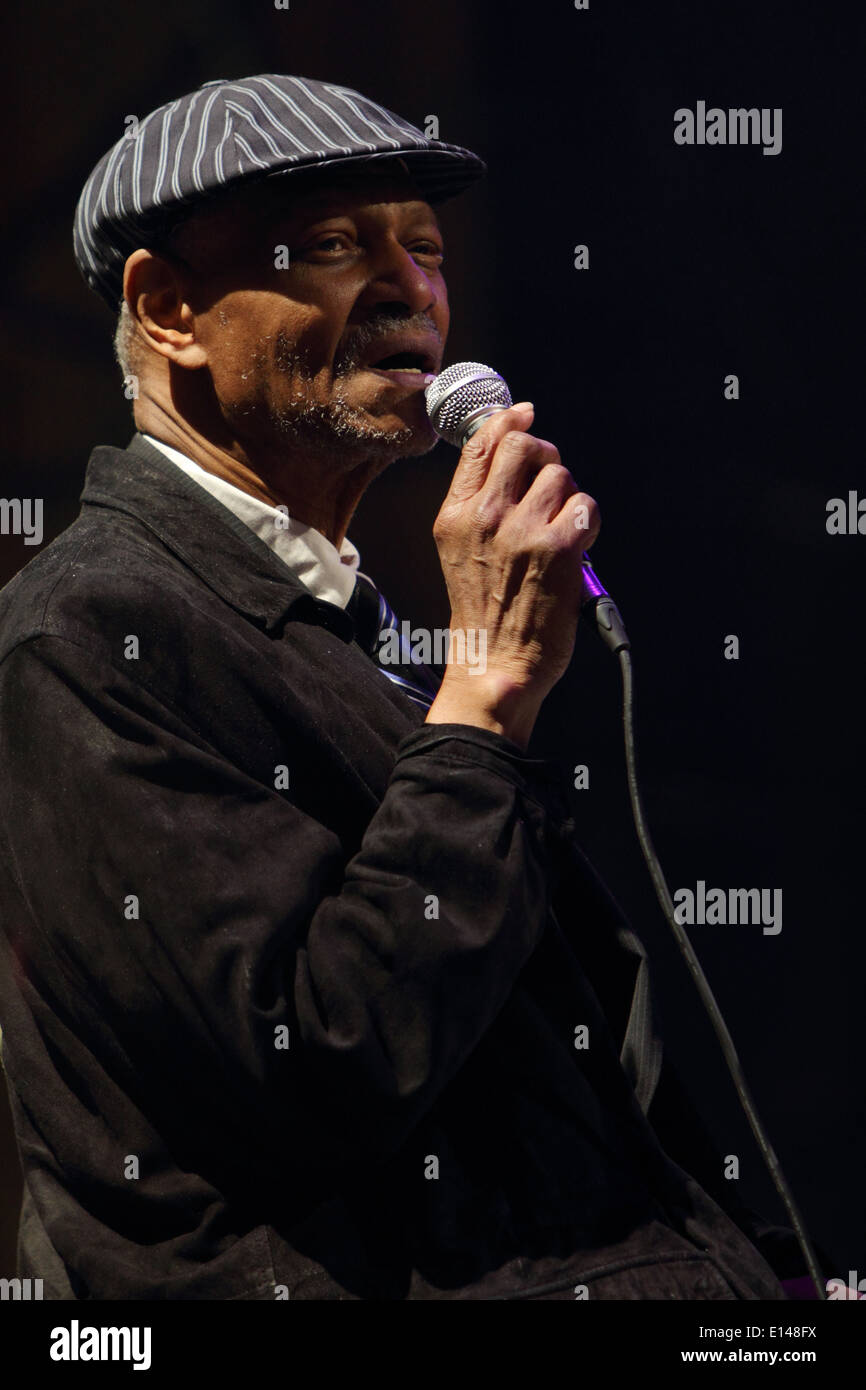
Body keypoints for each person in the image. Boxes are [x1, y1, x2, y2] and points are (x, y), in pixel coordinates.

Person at [0, 74, 814, 1300]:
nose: (409, 286)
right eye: (331, 245)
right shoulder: (92, 630)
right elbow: (312, 1060)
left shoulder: (333, 617)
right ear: (168, 308)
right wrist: (481, 700)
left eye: (424, 248)